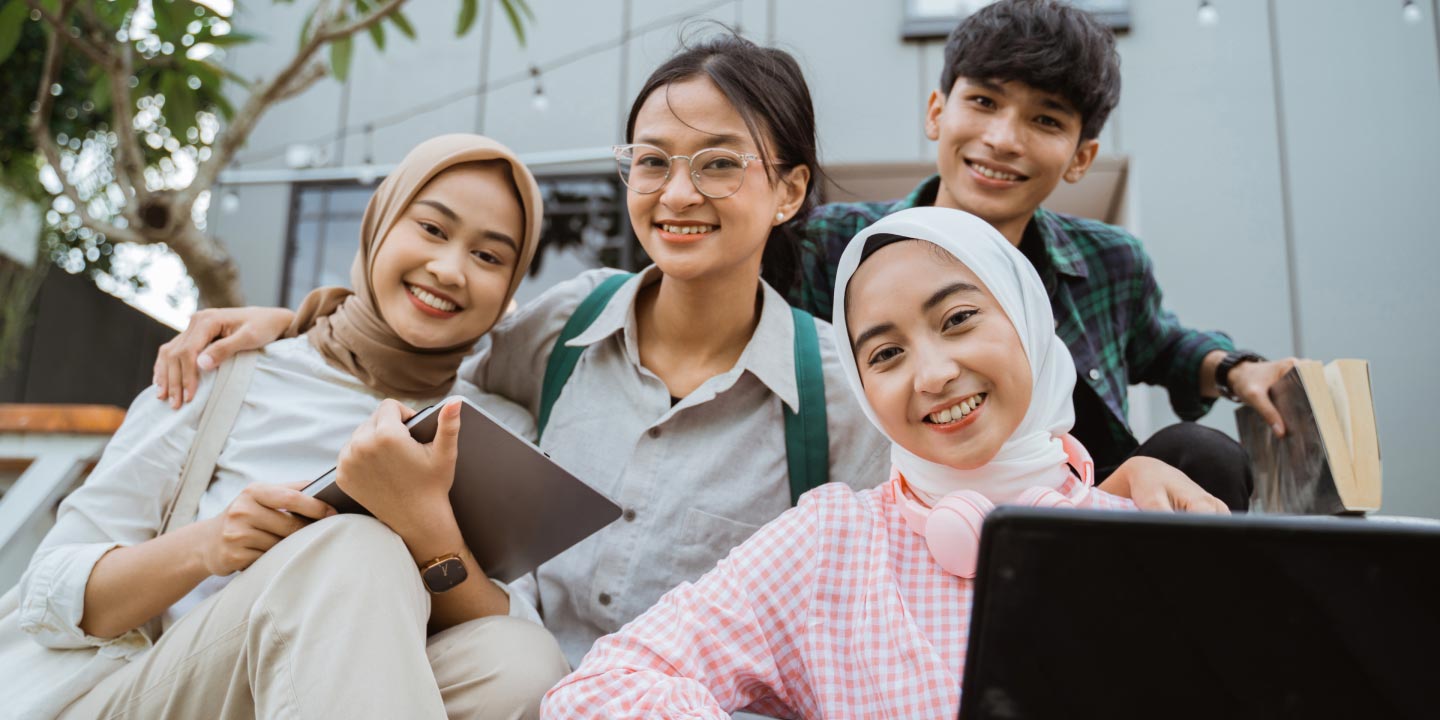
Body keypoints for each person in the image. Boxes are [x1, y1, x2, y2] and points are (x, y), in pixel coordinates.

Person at [146, 33, 1223, 673]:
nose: (677, 193)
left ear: (790, 190)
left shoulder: (841, 392)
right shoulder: (564, 324)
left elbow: (946, 508)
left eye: (718, 163)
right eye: (652, 161)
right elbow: (423, 353)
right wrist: (294, 319)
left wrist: (1108, 486)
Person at [10, 135, 568, 719]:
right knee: (353, 547)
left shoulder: (492, 425)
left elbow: (511, 622)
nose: (450, 269)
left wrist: (425, 527)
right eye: (432, 229)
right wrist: (211, 544)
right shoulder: (228, 369)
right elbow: (48, 592)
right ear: (378, 224)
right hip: (161, 693)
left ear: (509, 287)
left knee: (523, 660)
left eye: (489, 257)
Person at [543, 207, 1163, 718]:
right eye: (887, 353)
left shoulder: (1146, 536)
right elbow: (600, 690)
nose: (934, 374)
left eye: (959, 319)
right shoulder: (831, 547)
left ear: (1028, 319)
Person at [787, 0, 1295, 511]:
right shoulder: (833, 246)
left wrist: (1236, 370)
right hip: (905, 512)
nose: (1004, 139)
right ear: (937, 111)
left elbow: (1165, 346)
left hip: (1078, 517)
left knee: (1199, 455)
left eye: (1046, 119)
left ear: (1081, 158)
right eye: (984, 101)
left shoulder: (1110, 261)